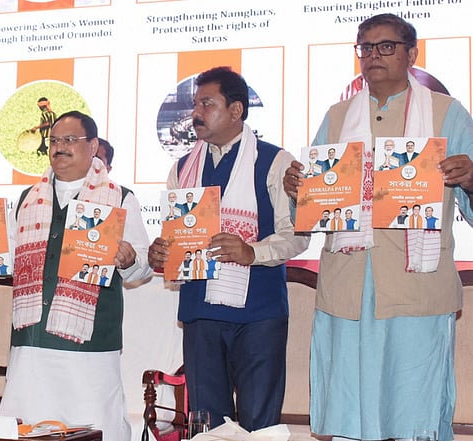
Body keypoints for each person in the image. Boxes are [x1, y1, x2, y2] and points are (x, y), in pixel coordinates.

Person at [282, 13, 473, 441]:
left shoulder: (448, 114)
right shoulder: (337, 117)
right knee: (350, 411)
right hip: (349, 289)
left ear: (411, 54)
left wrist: (471, 180)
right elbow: (314, 211)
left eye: (385, 46)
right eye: (365, 48)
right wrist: (299, 190)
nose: (373, 56)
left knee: (414, 412)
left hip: (417, 288)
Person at [0, 110, 152, 441]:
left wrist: (128, 259)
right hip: (32, 341)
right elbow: (8, 259)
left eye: (70, 140)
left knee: (97, 425)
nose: (59, 147)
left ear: (93, 145)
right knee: (27, 426)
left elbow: (140, 266)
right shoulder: (29, 199)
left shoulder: (120, 198)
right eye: (54, 140)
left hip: (90, 343)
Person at [148, 66, 309, 431]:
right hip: (200, 315)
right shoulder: (182, 168)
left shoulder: (274, 161)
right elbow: (174, 238)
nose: (195, 113)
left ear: (236, 110)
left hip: (259, 314)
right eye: (195, 105)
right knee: (206, 424)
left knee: (260, 425)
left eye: (207, 103)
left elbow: (297, 234)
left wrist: (252, 252)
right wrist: (160, 254)